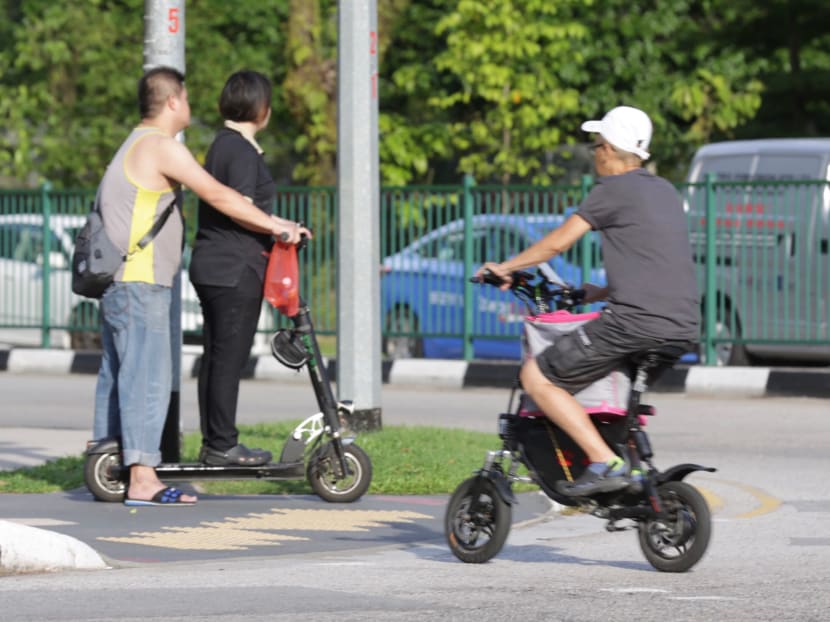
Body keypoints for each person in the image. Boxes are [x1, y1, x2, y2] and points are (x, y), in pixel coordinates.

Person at [92, 66, 305, 506]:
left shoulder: (134, 143)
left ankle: (107, 464)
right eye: (186, 98)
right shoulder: (158, 146)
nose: (191, 106)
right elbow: (220, 196)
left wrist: (274, 224)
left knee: (118, 376)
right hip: (140, 280)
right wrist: (278, 227)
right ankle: (142, 480)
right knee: (146, 378)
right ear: (172, 102)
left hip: (124, 281)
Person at [477, 105, 700, 497]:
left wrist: (505, 267)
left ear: (610, 150)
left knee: (537, 377)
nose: (594, 153)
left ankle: (604, 461)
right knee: (605, 390)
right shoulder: (665, 191)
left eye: (596, 145)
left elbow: (557, 243)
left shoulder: (611, 190)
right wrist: (593, 293)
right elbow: (655, 264)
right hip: (681, 327)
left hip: (633, 323)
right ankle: (625, 472)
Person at [189, 70, 311, 467]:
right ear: (262, 108)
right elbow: (238, 205)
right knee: (228, 356)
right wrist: (281, 228)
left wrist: (281, 227)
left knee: (217, 355)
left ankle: (215, 443)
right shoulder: (238, 150)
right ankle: (223, 445)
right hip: (234, 266)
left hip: (214, 264)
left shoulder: (223, 146)